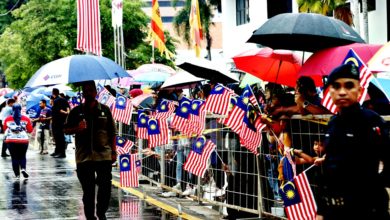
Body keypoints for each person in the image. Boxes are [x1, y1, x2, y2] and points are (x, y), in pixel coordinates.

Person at [316, 63, 390, 220]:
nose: (342, 92)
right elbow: (329, 169)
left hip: (367, 210)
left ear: (360, 90)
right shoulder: (333, 124)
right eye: (336, 86)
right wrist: (321, 211)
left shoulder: (372, 122)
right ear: (330, 91)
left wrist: (374, 188)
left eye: (349, 86)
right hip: (335, 210)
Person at [64, 81, 117, 220]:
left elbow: (112, 132)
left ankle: (101, 213)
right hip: (84, 157)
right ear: (83, 93)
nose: (88, 93)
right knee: (88, 191)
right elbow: (65, 129)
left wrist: (114, 151)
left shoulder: (105, 110)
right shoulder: (76, 111)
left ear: (96, 92)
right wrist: (77, 128)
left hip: (103, 156)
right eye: (86, 90)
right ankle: (90, 216)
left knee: (105, 188)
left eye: (91, 90)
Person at [3, 104, 33, 179]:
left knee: (14, 158)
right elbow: (30, 130)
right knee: (22, 156)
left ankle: (17, 175)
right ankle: (23, 168)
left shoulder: (7, 119)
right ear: (20, 109)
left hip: (11, 141)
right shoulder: (26, 119)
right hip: (23, 141)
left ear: (12, 109)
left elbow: (4, 129)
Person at [50, 88, 70, 158]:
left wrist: (64, 113)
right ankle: (57, 151)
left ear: (53, 93)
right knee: (58, 137)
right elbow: (68, 108)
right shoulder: (63, 100)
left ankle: (61, 153)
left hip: (57, 122)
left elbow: (59, 110)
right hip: (61, 121)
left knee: (59, 137)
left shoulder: (56, 101)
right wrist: (67, 113)